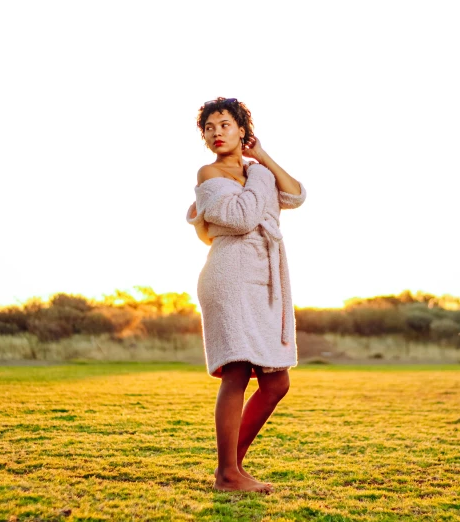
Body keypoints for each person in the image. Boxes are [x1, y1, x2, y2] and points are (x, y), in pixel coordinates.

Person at [185, 97, 307, 493]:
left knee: (276, 383)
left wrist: (263, 159)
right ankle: (228, 473)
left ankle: (229, 468)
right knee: (236, 372)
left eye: (224, 124)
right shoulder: (209, 174)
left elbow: (297, 195)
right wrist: (258, 177)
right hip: (229, 275)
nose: (216, 132)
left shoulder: (258, 171)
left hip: (263, 280)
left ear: (242, 130)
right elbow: (240, 219)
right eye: (209, 128)